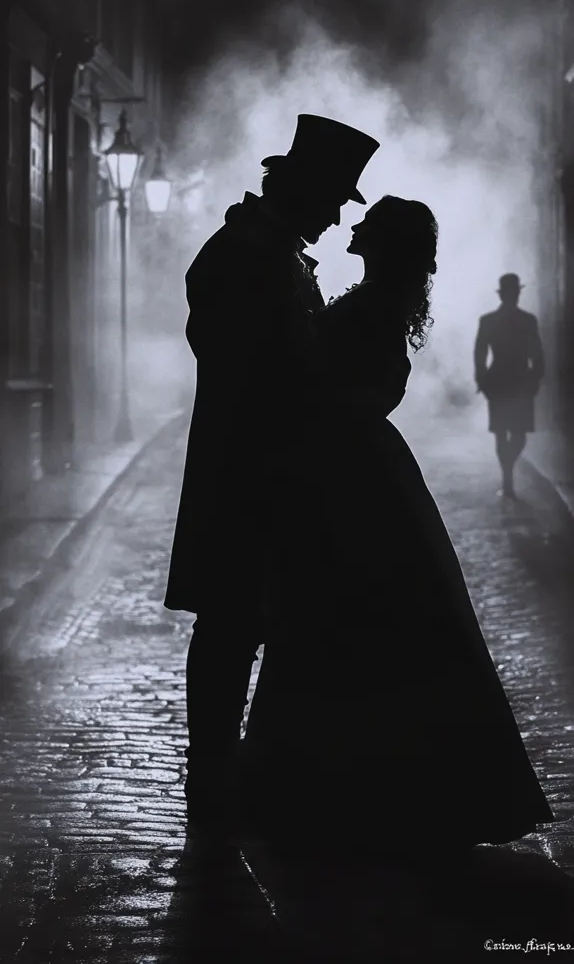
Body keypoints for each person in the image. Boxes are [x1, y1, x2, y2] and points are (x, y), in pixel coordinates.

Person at [238, 196, 553, 854]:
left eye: (368, 226)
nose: (354, 229)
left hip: (345, 472)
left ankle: (341, 790)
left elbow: (321, 374)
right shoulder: (384, 300)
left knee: (337, 614)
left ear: (383, 244)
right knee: (381, 615)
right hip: (365, 467)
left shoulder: (372, 303)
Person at [163, 114, 380, 833]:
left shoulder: (267, 251)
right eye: (329, 202)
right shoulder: (247, 255)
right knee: (231, 621)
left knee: (245, 620)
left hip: (264, 470)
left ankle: (225, 770)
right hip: (249, 472)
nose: (330, 217)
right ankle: (212, 772)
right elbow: (247, 365)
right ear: (303, 190)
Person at [474, 273, 545, 499]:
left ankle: (507, 473)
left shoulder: (493, 321)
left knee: (512, 434)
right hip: (513, 382)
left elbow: (537, 354)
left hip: (506, 382)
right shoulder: (525, 320)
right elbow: (480, 353)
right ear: (509, 294)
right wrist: (534, 379)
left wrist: (483, 380)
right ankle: (507, 479)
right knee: (509, 433)